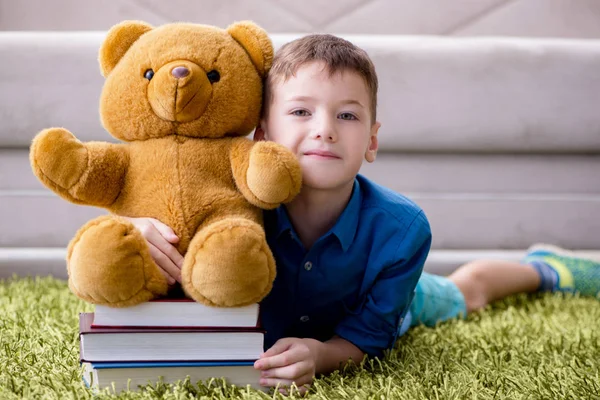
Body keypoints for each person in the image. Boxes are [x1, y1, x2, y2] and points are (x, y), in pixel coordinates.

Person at [125, 34, 600, 393]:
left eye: (347, 116)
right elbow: (161, 225)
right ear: (262, 136)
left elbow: (371, 337)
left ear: (371, 141)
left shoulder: (402, 230)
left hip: (380, 304)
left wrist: (325, 354)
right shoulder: (225, 206)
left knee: (465, 292)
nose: (325, 130)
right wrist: (136, 230)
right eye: (301, 112)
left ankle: (544, 268)